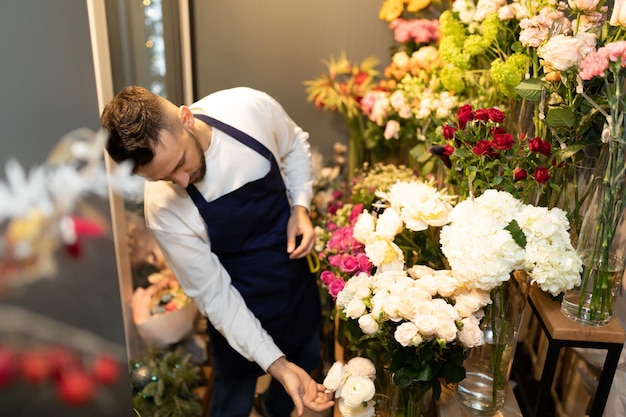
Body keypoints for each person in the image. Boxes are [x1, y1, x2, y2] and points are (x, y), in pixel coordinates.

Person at [101, 86, 334, 417]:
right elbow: (215, 296)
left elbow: (294, 144)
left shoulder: (246, 109)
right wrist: (277, 365)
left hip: (292, 281)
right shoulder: (164, 209)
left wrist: (301, 207)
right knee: (233, 398)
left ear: (186, 119)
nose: (182, 181)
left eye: (181, 163)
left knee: (306, 356)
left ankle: (270, 409)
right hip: (235, 305)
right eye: (164, 178)